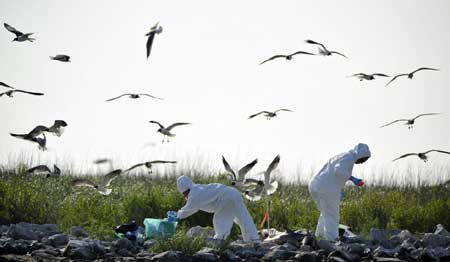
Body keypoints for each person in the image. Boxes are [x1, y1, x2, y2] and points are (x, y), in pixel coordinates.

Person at [308, 143, 371, 240]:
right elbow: (339, 170)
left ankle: (319, 237)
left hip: (316, 184)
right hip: (326, 187)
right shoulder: (349, 158)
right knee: (332, 216)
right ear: (360, 154)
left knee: (325, 213)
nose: (362, 162)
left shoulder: (343, 155)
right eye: (363, 159)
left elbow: (334, 173)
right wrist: (352, 178)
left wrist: (339, 189)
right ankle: (332, 241)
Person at [175, 175, 260, 243]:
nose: (184, 196)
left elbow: (186, 211)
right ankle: (254, 240)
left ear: (184, 190)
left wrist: (175, 217)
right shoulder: (198, 188)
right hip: (233, 192)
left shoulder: (193, 195)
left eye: (183, 193)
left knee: (220, 219)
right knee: (243, 218)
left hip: (226, 197)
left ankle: (220, 241)